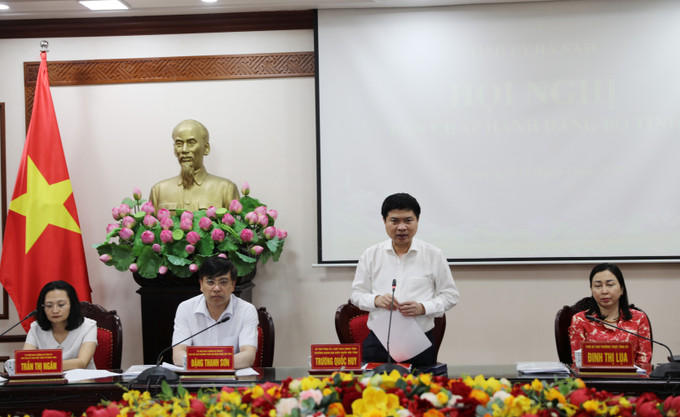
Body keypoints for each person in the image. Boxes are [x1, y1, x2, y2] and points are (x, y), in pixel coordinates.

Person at [350, 193, 459, 366]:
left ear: (417, 221)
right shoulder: (371, 255)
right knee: (372, 384)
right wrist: (376, 300)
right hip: (378, 343)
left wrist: (423, 307)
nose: (401, 227)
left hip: (419, 343)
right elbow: (356, 294)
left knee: (421, 384)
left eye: (408, 220)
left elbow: (450, 295)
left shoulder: (434, 255)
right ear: (384, 221)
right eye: (394, 221)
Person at [172, 256, 258, 369]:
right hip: (197, 376)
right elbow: (178, 356)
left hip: (233, 377)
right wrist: (217, 362)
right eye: (210, 282)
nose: (216, 288)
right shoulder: (186, 308)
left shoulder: (246, 310)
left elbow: (248, 357)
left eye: (223, 282)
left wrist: (203, 362)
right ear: (201, 285)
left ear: (233, 285)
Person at [568, 263, 652, 367]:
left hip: (631, 377)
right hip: (593, 377)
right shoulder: (580, 320)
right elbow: (579, 364)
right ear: (591, 290)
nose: (604, 291)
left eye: (610, 285)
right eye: (598, 286)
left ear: (621, 289)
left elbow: (644, 364)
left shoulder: (639, 319)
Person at [150, 119, 239, 213]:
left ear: (206, 148)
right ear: (174, 149)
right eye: (179, 144)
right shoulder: (159, 191)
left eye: (191, 143)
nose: (184, 150)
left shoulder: (226, 189)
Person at [22, 280, 97, 370]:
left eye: (61, 305)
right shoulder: (36, 328)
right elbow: (26, 362)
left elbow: (82, 363)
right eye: (49, 305)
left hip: (82, 379)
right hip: (48, 379)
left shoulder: (88, 326)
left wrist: (40, 364)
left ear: (72, 305)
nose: (55, 310)